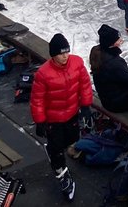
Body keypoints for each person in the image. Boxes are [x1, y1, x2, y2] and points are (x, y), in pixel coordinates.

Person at [31, 33, 93, 202]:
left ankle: (55, 150)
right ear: (53, 54)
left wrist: (86, 105)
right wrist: (40, 121)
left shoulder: (77, 63)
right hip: (54, 119)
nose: (65, 56)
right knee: (57, 148)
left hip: (72, 114)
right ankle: (62, 175)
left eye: (67, 52)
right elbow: (37, 100)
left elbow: (85, 84)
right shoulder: (43, 74)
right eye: (61, 53)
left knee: (71, 140)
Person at [89, 24, 128, 113]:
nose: (121, 40)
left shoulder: (99, 51)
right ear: (111, 43)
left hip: (111, 93)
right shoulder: (113, 63)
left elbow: (125, 75)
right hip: (114, 104)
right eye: (118, 39)